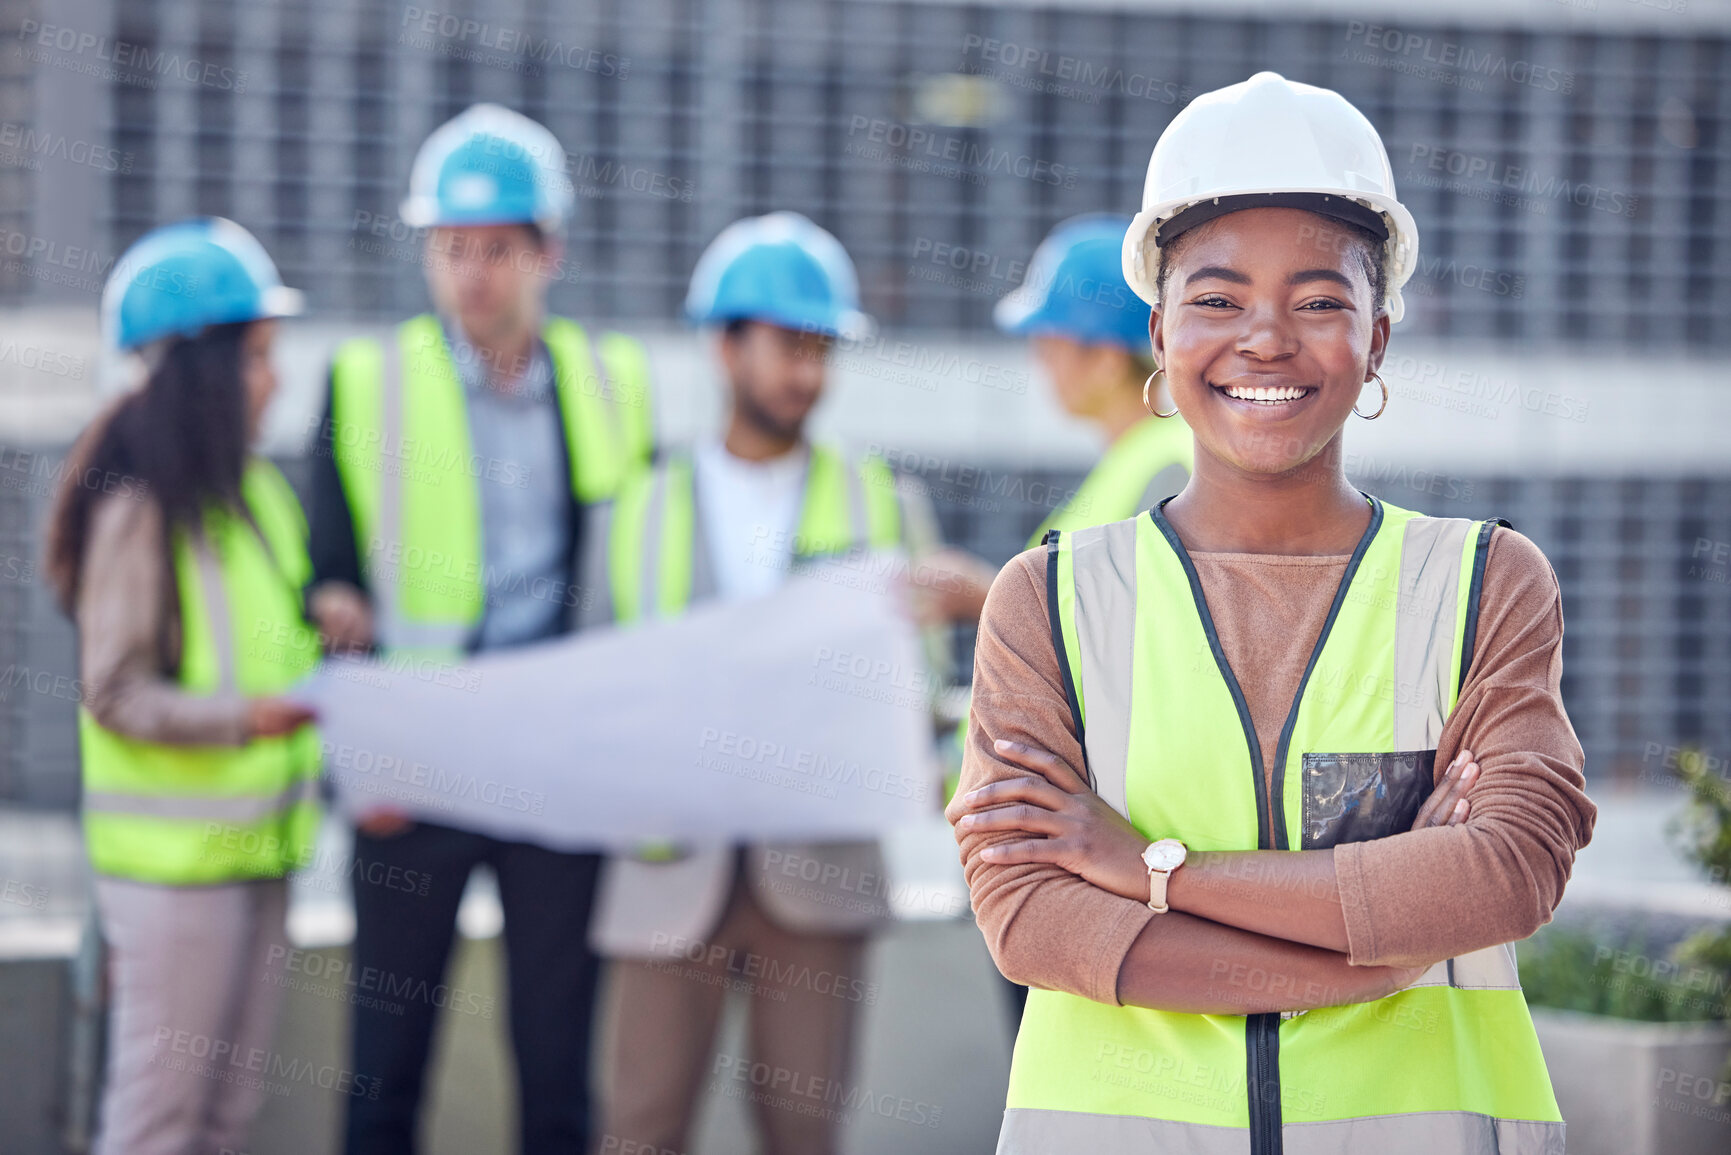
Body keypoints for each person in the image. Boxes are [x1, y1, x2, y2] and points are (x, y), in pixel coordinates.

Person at [947, 72, 1597, 1152]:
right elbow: (1031, 916)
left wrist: (1150, 869)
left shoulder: (1483, 584)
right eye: (1216, 299)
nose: (1264, 338)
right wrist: (1378, 951)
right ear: (1158, 331)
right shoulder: (1048, 602)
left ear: (1378, 337)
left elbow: (1505, 871)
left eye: (1319, 300)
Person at [584, 211, 989, 1155]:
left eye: (820, 350)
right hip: (666, 866)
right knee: (639, 1130)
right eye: (787, 347)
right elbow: (598, 682)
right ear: (723, 346)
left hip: (817, 871)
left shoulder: (882, 502)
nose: (807, 373)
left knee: (804, 1135)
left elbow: (919, 689)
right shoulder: (635, 506)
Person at [304, 104, 653, 1155]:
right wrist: (329, 611)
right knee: (385, 1066)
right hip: (416, 763)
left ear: (549, 253)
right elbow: (320, 571)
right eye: (450, 249)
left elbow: (635, 570)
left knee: (555, 1071)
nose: (471, 275)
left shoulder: (611, 384)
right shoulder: (366, 383)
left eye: (496, 250)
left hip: (556, 760)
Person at [47, 218, 319, 1155]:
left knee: (223, 1124)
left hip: (259, 854)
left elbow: (264, 639)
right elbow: (115, 688)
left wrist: (332, 624)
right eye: (256, 356)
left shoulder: (255, 498)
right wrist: (245, 720)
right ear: (201, 371)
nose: (273, 378)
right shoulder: (137, 509)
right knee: (159, 1126)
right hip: (174, 876)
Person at [995, 213, 1193, 543]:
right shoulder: (1134, 460)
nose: (1042, 363)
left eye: (1050, 346)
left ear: (1107, 360)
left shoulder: (1166, 470)